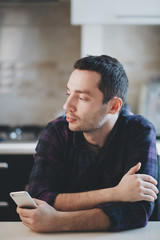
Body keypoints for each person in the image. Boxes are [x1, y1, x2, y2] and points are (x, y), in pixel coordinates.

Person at [17, 55, 158, 233]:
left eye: (82, 98)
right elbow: (39, 198)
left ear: (114, 106)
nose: (67, 105)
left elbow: (139, 211)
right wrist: (115, 193)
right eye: (69, 94)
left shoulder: (139, 131)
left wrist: (59, 221)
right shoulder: (56, 131)